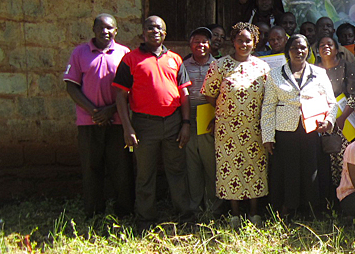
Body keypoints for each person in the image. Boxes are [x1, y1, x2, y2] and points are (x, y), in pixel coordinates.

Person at [112, 16, 193, 231]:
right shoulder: (130, 59)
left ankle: (184, 215)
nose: (154, 31)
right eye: (150, 27)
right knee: (145, 173)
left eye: (159, 28)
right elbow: (120, 95)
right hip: (144, 125)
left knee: (177, 170)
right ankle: (145, 220)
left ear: (165, 33)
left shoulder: (175, 59)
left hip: (174, 122)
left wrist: (185, 123)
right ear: (143, 32)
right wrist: (127, 127)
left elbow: (184, 93)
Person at [63, 13, 133, 218]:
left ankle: (125, 212)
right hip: (88, 122)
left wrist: (110, 110)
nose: (105, 31)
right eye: (101, 28)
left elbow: (131, 89)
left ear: (116, 31)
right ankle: (93, 213)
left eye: (110, 28)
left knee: (122, 169)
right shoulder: (79, 53)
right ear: (93, 30)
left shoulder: (124, 53)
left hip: (118, 121)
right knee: (91, 168)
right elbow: (71, 87)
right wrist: (95, 112)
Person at [201, 23, 270, 226]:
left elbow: (268, 98)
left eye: (248, 40)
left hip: (255, 128)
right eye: (240, 40)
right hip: (228, 130)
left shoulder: (263, 67)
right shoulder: (219, 66)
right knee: (230, 169)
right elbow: (210, 94)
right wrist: (228, 110)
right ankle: (234, 214)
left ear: (254, 42)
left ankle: (254, 212)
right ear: (233, 41)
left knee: (255, 168)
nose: (244, 44)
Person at [261, 34, 338, 217]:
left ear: (308, 50)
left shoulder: (319, 73)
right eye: (295, 48)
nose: (299, 51)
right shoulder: (274, 74)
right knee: (288, 170)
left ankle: (311, 209)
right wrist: (268, 136)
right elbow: (268, 106)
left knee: (311, 169)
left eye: (303, 47)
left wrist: (328, 121)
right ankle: (288, 208)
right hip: (285, 131)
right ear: (288, 51)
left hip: (311, 130)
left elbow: (332, 103)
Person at [315, 36, 355, 206]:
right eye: (321, 45)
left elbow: (354, 95)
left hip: (344, 123)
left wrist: (340, 118)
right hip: (321, 123)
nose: (325, 47)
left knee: (343, 162)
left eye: (330, 44)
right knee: (326, 163)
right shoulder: (314, 70)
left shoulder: (346, 67)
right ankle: (328, 202)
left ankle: (347, 201)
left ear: (337, 49)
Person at [183, 27, 221, 216]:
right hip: (188, 116)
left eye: (205, 41)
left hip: (209, 115)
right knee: (192, 163)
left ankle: (213, 207)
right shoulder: (182, 65)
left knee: (210, 163)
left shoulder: (218, 65)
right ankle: (194, 208)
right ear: (190, 44)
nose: (201, 45)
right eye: (196, 41)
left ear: (210, 45)